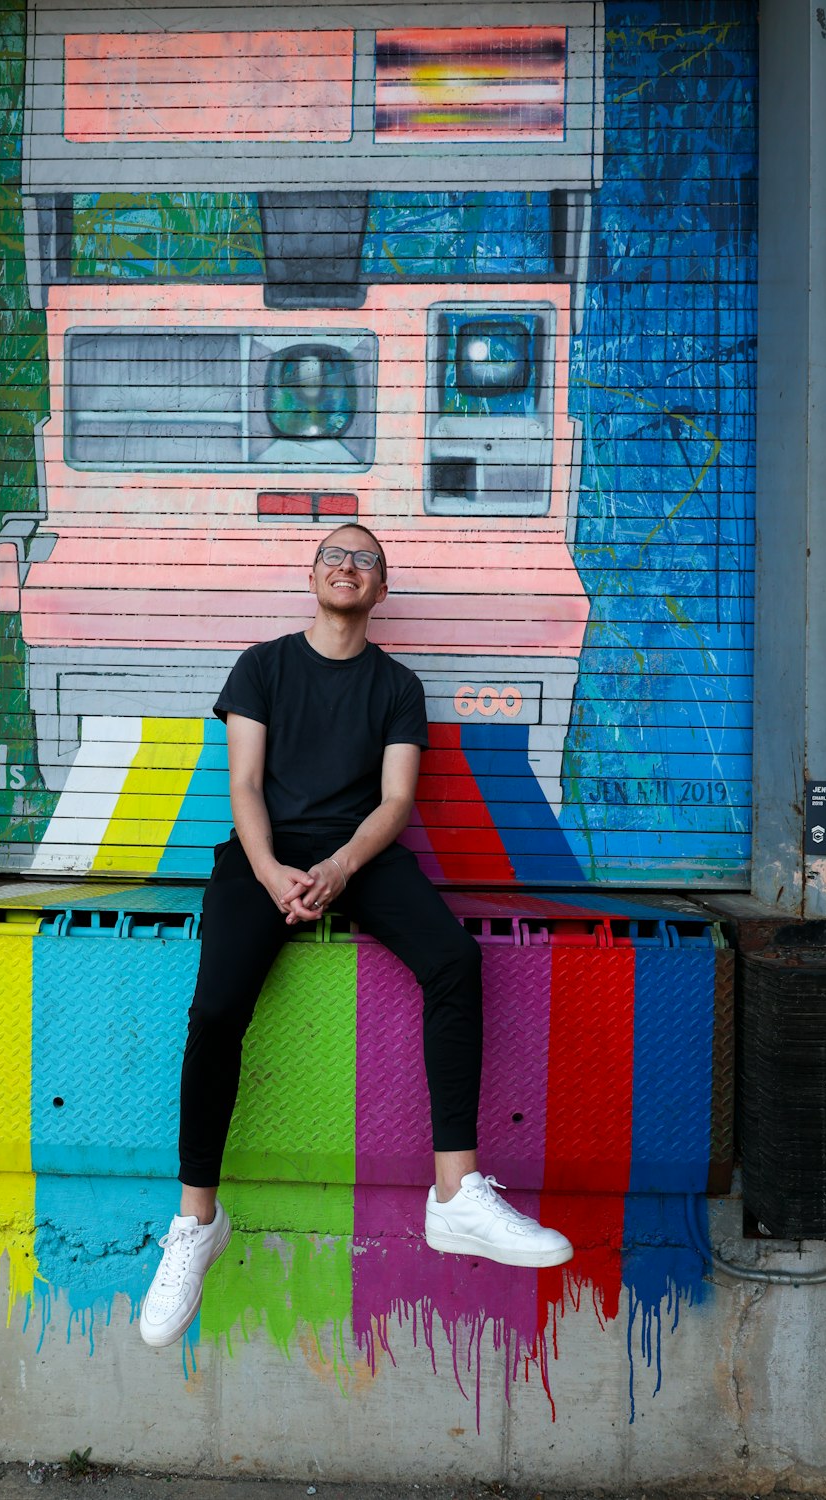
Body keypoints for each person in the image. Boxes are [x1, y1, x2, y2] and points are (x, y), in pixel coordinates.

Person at [139, 525, 573, 1348]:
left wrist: (338, 868)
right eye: (335, 556)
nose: (348, 566)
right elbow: (243, 782)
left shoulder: (397, 685)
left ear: (381, 590)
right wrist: (271, 874)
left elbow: (396, 802)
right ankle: (197, 1220)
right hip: (262, 856)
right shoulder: (262, 665)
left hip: (360, 855)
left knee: (453, 959)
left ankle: (455, 1194)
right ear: (312, 576)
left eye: (365, 560)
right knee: (216, 1012)